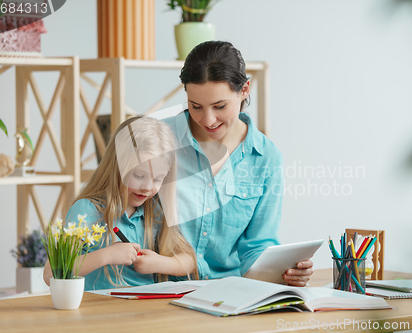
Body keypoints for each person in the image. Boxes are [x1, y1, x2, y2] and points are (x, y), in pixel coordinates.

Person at [163, 41, 313, 286]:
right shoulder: (159, 140)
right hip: (158, 288)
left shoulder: (266, 157)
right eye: (195, 106)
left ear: (244, 90)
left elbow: (257, 244)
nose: (207, 120)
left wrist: (286, 270)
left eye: (220, 106)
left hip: (228, 290)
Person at [43, 116, 197, 290]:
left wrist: (160, 263)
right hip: (100, 311)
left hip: (147, 310)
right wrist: (106, 256)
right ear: (116, 167)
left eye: (158, 179)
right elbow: (51, 273)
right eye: (138, 176)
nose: (147, 187)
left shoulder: (155, 210)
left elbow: (190, 261)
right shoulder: (88, 210)